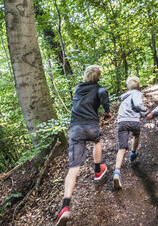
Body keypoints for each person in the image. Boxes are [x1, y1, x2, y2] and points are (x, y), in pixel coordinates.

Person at [55, 65, 111, 226]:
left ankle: (65, 207)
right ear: (98, 77)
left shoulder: (78, 89)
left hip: (76, 128)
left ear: (86, 75)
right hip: (92, 126)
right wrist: (107, 112)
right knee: (97, 141)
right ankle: (97, 169)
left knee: (73, 168)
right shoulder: (100, 89)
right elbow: (101, 95)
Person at [113, 76, 149, 189]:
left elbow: (134, 107)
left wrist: (144, 113)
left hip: (122, 122)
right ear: (138, 86)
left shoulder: (125, 97)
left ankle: (117, 172)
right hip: (133, 121)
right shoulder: (137, 93)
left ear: (128, 88)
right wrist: (145, 110)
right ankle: (133, 153)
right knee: (136, 135)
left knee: (121, 148)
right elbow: (138, 105)